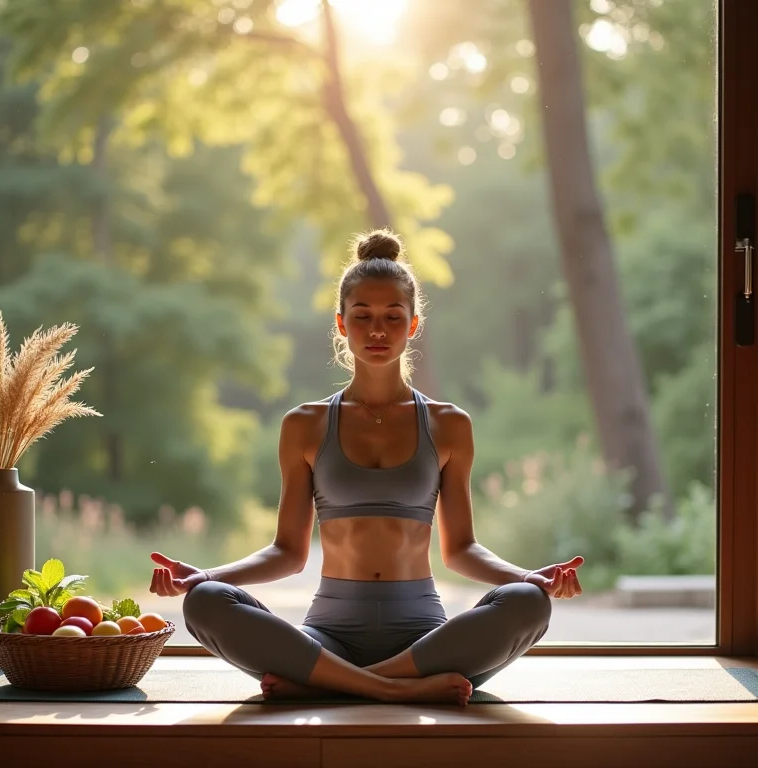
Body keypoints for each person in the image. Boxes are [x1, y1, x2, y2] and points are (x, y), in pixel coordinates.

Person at [149, 229, 584, 706]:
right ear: (341, 323)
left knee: (528, 603)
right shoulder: (305, 424)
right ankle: (393, 689)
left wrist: (527, 577)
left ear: (413, 324)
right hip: (329, 636)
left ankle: (329, 685)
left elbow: (461, 550)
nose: (378, 330)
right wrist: (206, 575)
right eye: (363, 316)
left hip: (423, 639)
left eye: (393, 316)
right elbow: (288, 553)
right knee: (206, 601)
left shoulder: (449, 424)